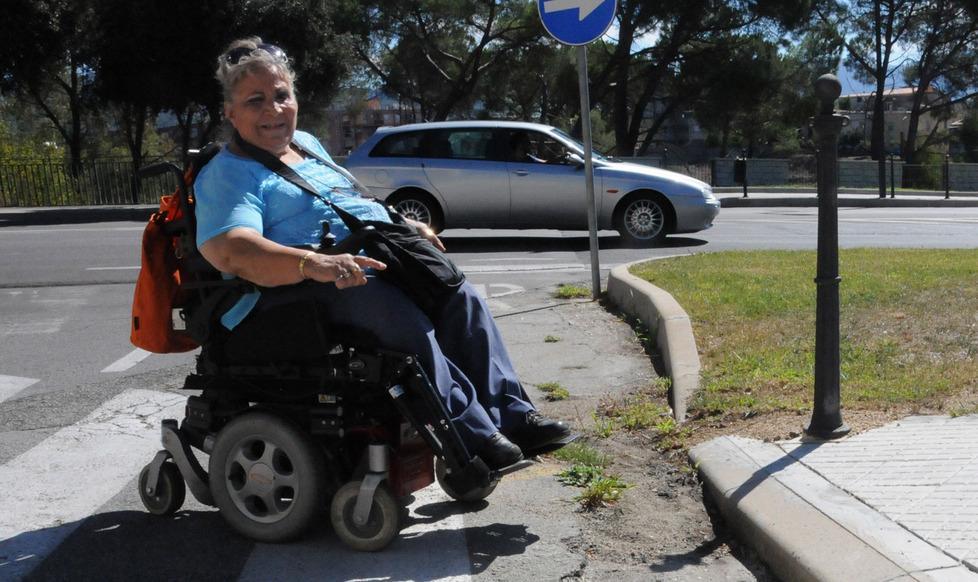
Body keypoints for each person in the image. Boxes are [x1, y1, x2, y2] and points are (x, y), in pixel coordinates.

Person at [193, 37, 571, 470]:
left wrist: (404, 225)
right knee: (397, 315)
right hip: (293, 289)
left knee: (458, 296)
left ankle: (516, 417)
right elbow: (232, 250)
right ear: (230, 112)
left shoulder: (309, 144)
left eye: (282, 96)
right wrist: (312, 263)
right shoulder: (227, 174)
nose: (274, 111)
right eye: (255, 100)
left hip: (365, 258)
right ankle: (475, 435)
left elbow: (349, 200)